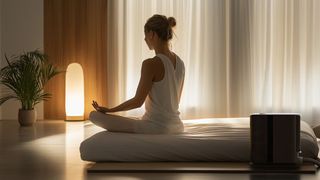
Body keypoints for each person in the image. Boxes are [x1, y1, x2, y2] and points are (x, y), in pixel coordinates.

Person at [90, 14, 185, 134]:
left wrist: (110, 110)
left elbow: (137, 102)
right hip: (177, 126)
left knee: (94, 116)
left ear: (152, 34)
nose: (145, 39)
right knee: (134, 120)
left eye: (145, 35)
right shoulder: (181, 63)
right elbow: (176, 102)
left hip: (157, 128)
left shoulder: (150, 64)